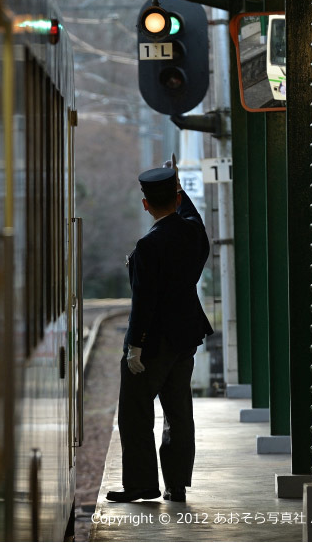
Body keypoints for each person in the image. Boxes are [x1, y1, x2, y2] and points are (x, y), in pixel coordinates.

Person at [105, 159, 213, 503]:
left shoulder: (148, 246)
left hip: (153, 344)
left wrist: (134, 346)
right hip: (186, 338)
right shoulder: (194, 232)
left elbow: (144, 303)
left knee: (135, 413)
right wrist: (178, 184)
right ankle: (177, 484)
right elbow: (193, 216)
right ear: (178, 199)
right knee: (178, 411)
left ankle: (141, 485)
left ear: (145, 204)